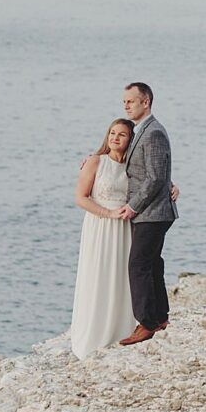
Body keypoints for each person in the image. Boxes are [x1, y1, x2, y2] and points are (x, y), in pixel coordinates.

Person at [115, 81, 179, 345]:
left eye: (131, 101)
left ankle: (147, 323)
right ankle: (160, 316)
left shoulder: (153, 132)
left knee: (138, 265)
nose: (127, 105)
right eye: (125, 102)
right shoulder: (139, 131)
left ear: (146, 102)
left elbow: (154, 178)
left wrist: (133, 206)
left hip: (153, 212)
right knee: (153, 263)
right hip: (153, 211)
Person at [68, 118, 137, 358]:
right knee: (98, 274)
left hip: (124, 228)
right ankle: (95, 334)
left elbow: (151, 184)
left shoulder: (133, 165)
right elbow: (81, 197)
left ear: (130, 140)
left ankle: (121, 329)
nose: (115, 138)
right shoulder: (95, 161)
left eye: (122, 135)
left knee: (121, 276)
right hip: (100, 225)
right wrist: (108, 213)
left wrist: (173, 187)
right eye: (112, 133)